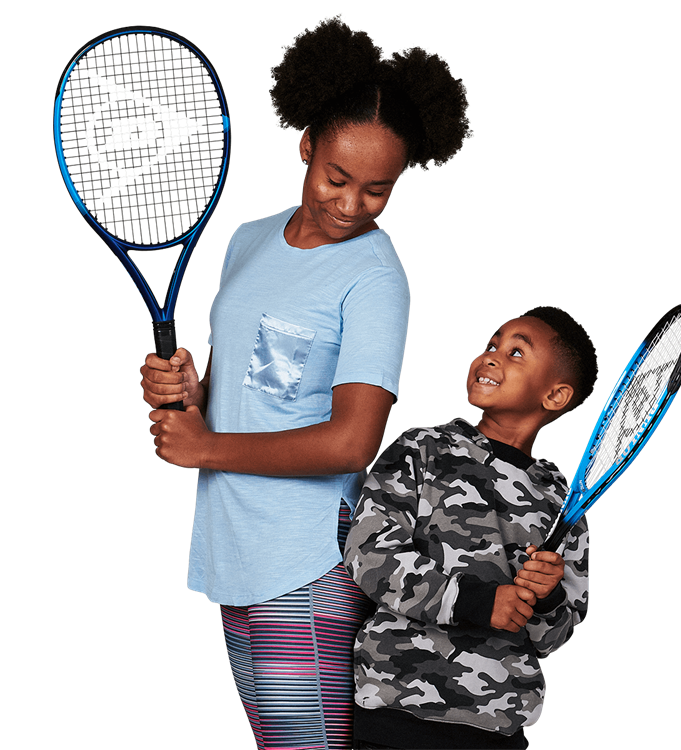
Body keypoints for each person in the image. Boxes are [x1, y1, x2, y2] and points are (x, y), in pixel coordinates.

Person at [140, 14, 472, 750]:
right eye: (336, 177)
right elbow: (255, 388)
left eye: (379, 191)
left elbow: (353, 442)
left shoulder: (376, 276)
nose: (351, 205)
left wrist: (205, 448)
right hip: (230, 553)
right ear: (305, 145)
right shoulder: (247, 238)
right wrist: (195, 393)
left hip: (306, 565)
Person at [343, 306, 597, 750]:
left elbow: (555, 636)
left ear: (555, 396)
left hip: (496, 729)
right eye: (492, 344)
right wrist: (477, 602)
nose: (493, 355)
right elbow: (370, 556)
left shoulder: (565, 502)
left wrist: (549, 594)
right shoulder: (422, 448)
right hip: (396, 715)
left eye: (517, 352)